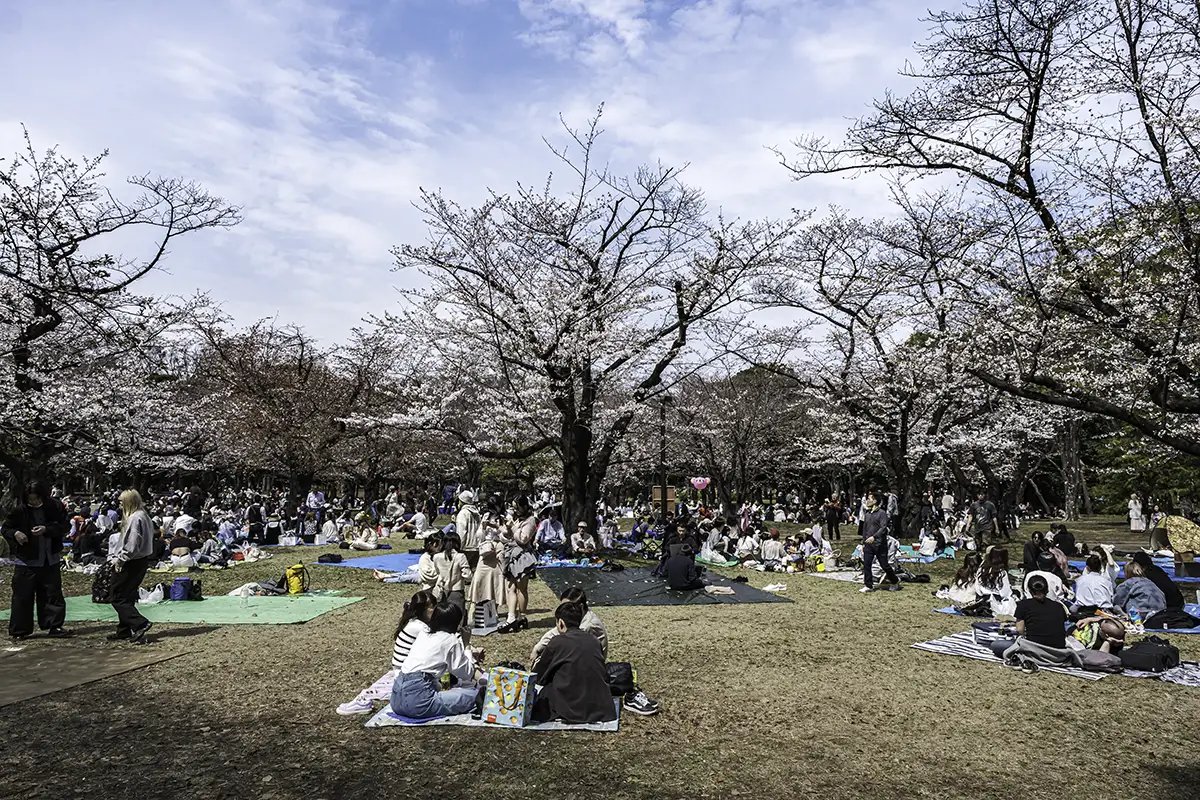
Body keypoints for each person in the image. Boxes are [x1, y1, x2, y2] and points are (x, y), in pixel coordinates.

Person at [337, 590, 438, 715]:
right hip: (406, 673)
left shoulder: (412, 622)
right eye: (432, 607)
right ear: (422, 609)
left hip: (400, 668)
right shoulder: (420, 627)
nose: (435, 610)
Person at [389, 601, 483, 720]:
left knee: (453, 692)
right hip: (418, 702)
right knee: (473, 695)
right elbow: (466, 672)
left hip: (396, 699)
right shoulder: (450, 640)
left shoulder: (424, 633)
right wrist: (466, 644)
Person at [3, 481, 71, 640]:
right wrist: (16, 534)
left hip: (50, 558)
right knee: (22, 596)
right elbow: (6, 528)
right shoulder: (19, 510)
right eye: (30, 499)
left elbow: (63, 526)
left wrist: (46, 529)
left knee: (52, 594)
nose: (33, 502)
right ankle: (19, 630)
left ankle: (54, 625)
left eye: (36, 499)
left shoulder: (54, 507)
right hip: (26, 561)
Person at [530, 601, 618, 724]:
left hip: (571, 707)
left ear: (560, 623)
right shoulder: (593, 640)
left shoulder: (557, 642)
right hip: (599, 706)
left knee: (544, 693)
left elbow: (538, 676)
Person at [109, 489, 156, 643]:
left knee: (117, 596)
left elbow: (132, 544)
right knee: (127, 595)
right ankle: (124, 629)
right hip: (141, 560)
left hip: (131, 561)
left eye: (122, 501)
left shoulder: (135, 518)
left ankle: (139, 623)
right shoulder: (144, 516)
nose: (119, 504)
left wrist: (121, 559)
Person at [989, 574, 1068, 658]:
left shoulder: (1023, 605)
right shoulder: (1059, 607)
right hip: (1058, 651)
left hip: (1033, 648)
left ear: (1028, 590)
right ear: (1047, 590)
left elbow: (1020, 630)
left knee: (996, 645)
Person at [499, 496, 537, 633]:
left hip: (522, 556)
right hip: (511, 554)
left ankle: (522, 616)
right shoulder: (516, 518)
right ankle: (511, 617)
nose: (515, 510)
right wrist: (507, 528)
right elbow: (506, 536)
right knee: (511, 587)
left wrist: (513, 527)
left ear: (525, 506)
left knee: (522, 587)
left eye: (517, 507)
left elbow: (523, 539)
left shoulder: (531, 520)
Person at [860, 493, 899, 593]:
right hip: (868, 544)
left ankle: (895, 581)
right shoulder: (867, 514)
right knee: (867, 564)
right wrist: (864, 540)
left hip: (879, 544)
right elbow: (865, 528)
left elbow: (883, 528)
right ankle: (868, 585)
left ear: (875, 501)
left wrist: (874, 537)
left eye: (869, 499)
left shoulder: (882, 513)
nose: (867, 501)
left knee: (884, 565)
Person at [976, 547, 1016, 616]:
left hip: (982, 600)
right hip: (997, 603)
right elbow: (1005, 594)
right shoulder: (1001, 573)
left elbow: (977, 587)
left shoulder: (982, 568)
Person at [455, 490, 482, 570]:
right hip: (476, 546)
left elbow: (461, 532)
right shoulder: (477, 513)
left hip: (466, 547)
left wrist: (459, 547)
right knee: (473, 572)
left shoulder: (463, 513)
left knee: (464, 571)